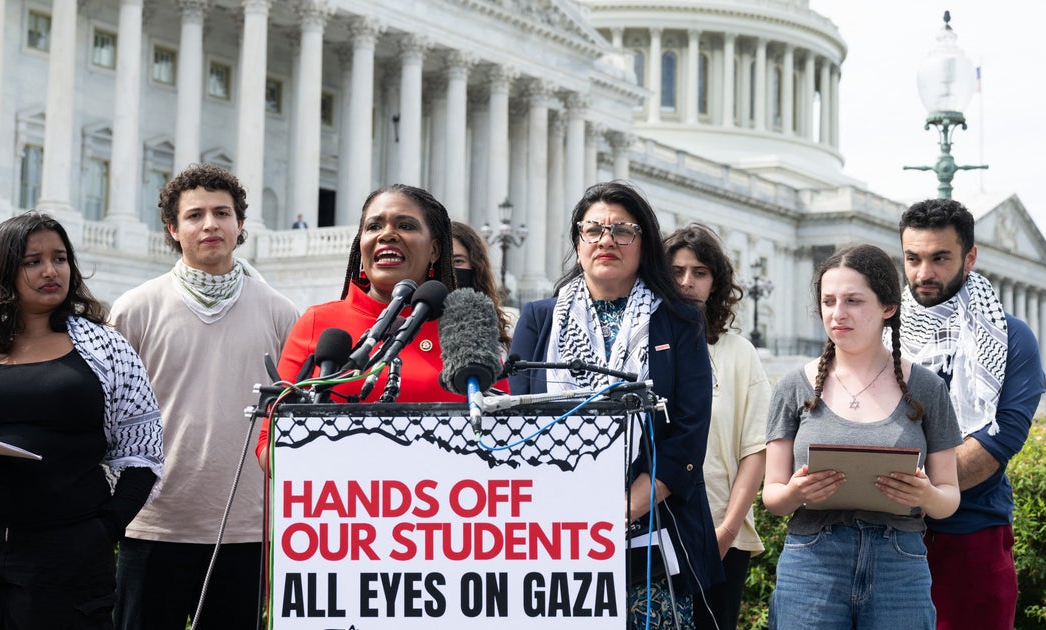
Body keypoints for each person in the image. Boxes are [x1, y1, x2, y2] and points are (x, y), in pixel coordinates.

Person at [0, 212, 164, 628]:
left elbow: (142, 455)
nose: (51, 270)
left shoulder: (108, 349)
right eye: (32, 261)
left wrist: (104, 528)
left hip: (67, 546)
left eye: (60, 258)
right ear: (5, 271)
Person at [508, 181, 723, 629]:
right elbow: (517, 424)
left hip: (655, 533)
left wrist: (621, 508)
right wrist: (573, 510)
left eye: (623, 230)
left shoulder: (679, 319)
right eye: (594, 230)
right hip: (556, 530)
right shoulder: (538, 319)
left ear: (644, 244)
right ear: (577, 242)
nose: (606, 240)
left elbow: (688, 432)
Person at [111, 164, 298, 630]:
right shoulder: (134, 309)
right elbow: (108, 416)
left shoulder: (281, 312)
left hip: (246, 530)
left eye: (222, 213)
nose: (210, 224)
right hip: (152, 523)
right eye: (195, 215)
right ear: (173, 229)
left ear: (241, 225)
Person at [762, 243, 962, 629]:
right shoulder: (792, 387)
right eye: (828, 301)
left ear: (888, 308)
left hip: (899, 563)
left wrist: (927, 496)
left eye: (853, 301)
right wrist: (796, 493)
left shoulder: (927, 388)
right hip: (812, 562)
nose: (838, 314)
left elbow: (949, 497)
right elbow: (772, 495)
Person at [897, 199, 1045, 630]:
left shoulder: (1011, 336)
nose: (924, 273)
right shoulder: (878, 328)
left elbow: (997, 444)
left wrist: (905, 492)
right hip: (882, 537)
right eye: (913, 258)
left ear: (970, 256)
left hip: (971, 536)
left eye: (940, 257)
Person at [255, 183, 463, 465]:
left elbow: (507, 425)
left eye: (406, 225)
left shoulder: (465, 330)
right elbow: (269, 447)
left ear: (435, 250)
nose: (387, 234)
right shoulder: (320, 322)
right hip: (338, 502)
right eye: (374, 226)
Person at [665, 224, 770, 630]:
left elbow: (754, 450)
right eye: (676, 272)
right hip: (654, 534)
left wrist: (725, 531)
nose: (687, 282)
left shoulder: (738, 352)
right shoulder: (641, 346)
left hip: (723, 536)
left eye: (700, 272)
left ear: (716, 282)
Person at [451, 220, 511, 348]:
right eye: (442, 261)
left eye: (458, 261)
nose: (449, 269)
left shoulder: (490, 324)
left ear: (475, 266)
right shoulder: (409, 321)